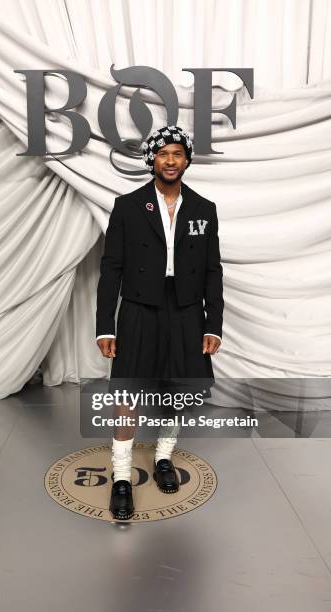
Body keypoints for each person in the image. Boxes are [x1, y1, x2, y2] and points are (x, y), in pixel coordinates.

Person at [96, 125, 224, 520]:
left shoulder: (204, 209)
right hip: (139, 307)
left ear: (187, 160)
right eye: (163, 154)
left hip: (186, 309)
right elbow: (111, 267)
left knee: (178, 389)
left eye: (178, 154)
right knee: (127, 394)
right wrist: (106, 325)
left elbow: (212, 271)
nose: (171, 160)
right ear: (151, 159)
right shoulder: (128, 206)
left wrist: (212, 324)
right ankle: (121, 477)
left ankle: (164, 457)